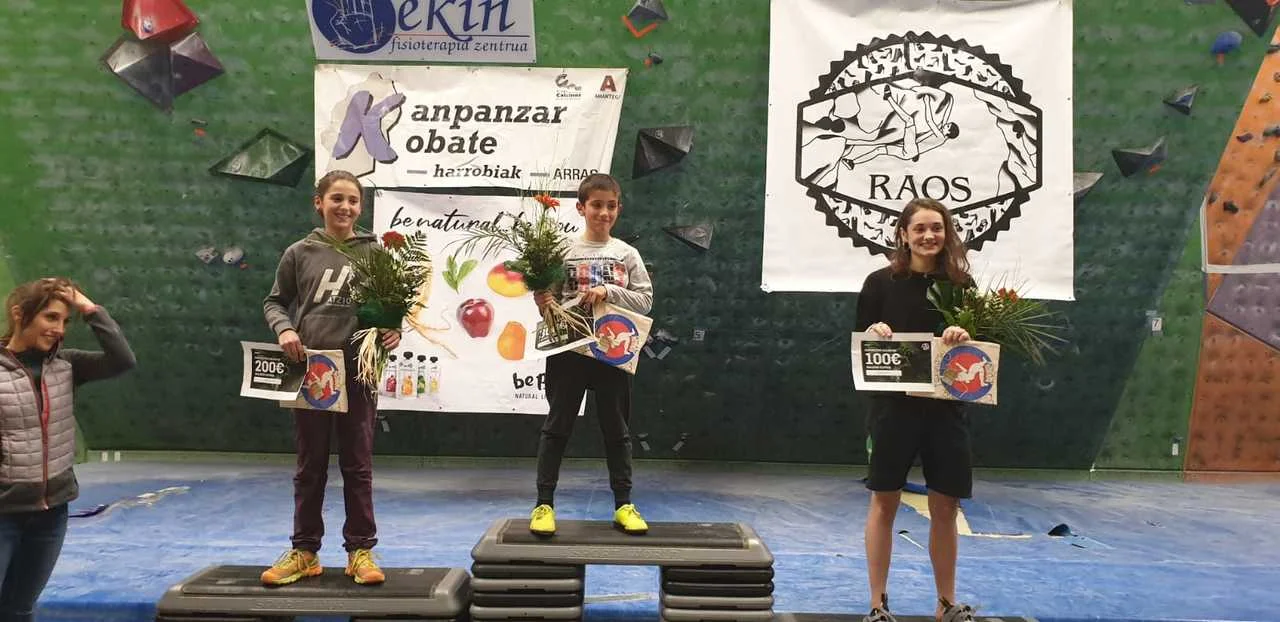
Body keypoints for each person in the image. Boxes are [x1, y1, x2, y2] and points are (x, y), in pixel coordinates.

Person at [261, 170, 401, 586]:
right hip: (313, 373)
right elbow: (274, 302)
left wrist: (393, 330)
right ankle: (305, 551)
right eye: (337, 198)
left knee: (358, 465)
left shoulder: (375, 253)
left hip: (359, 371)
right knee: (310, 466)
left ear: (361, 207)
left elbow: (391, 308)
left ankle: (361, 551)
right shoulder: (299, 253)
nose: (345, 207)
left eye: (353, 200)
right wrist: (285, 330)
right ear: (318, 203)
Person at [853, 198, 977, 622]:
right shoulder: (878, 283)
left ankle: (946, 604)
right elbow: (860, 344)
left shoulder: (961, 285)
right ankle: (877, 605)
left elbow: (975, 352)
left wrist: (962, 335)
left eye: (936, 228)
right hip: (893, 411)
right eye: (920, 228)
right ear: (903, 234)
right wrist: (873, 333)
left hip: (946, 412)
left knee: (946, 508)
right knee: (884, 502)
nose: (929, 236)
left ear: (947, 233)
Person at [1, 278, 136, 621]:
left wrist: (88, 308)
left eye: (64, 320)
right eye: (50, 317)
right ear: (19, 314)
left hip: (51, 516)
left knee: (19, 610)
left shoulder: (68, 365)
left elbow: (123, 360)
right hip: (4, 514)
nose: (59, 329)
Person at [529, 173, 654, 536]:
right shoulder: (563, 252)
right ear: (581, 208)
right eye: (596, 205)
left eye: (611, 206)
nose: (604, 213)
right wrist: (543, 300)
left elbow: (645, 300)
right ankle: (543, 505)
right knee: (557, 428)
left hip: (613, 350)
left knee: (617, 429)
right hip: (569, 352)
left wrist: (609, 291)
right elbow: (549, 303)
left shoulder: (626, 254)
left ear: (619, 209)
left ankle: (624, 505)